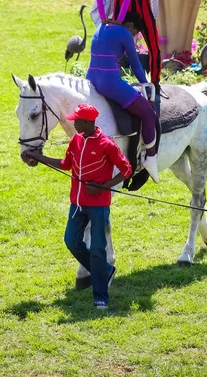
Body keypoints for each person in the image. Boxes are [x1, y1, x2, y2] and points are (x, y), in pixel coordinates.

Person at [21, 103, 132, 311]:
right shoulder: (76, 140)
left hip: (98, 206)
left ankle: (101, 296)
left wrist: (102, 187)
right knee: (71, 241)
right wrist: (37, 157)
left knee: (98, 249)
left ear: (88, 122)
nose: (73, 121)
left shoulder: (107, 144)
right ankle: (105, 271)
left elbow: (127, 170)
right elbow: (65, 164)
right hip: (77, 204)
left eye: (77, 120)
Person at [86, 13, 159, 183]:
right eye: (135, 33)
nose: (133, 37)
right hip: (109, 82)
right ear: (130, 24)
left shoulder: (100, 27)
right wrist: (146, 86)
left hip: (91, 79)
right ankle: (151, 158)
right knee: (148, 113)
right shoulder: (124, 33)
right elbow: (135, 64)